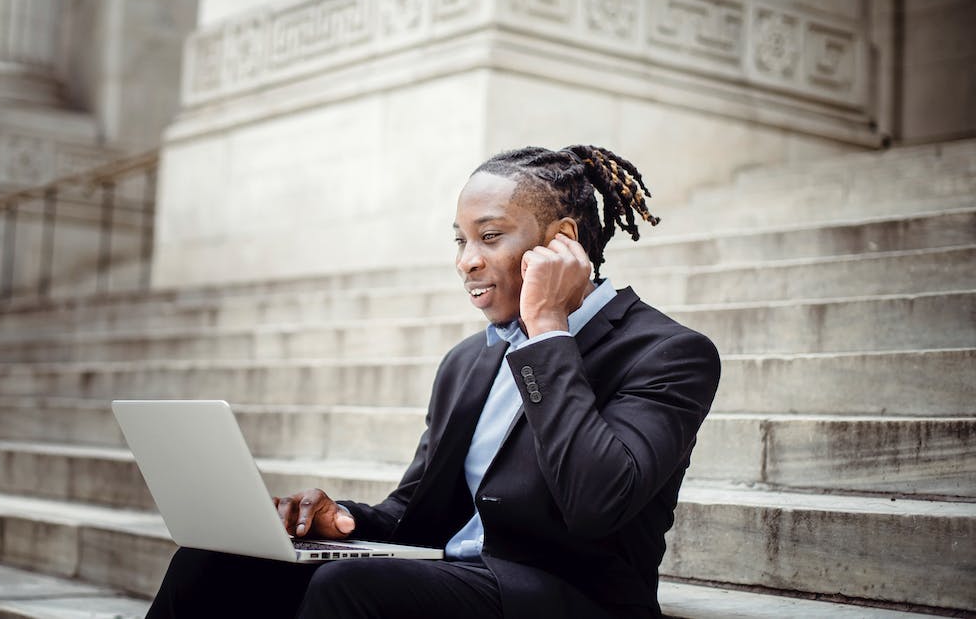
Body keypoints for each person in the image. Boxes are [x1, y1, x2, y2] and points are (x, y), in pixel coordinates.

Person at [146, 145, 721, 619]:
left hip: (572, 598)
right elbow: (416, 510)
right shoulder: (469, 361)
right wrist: (339, 520)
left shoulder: (668, 353)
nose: (466, 261)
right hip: (454, 578)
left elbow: (598, 501)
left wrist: (548, 331)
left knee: (349, 591)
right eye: (460, 240)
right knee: (213, 561)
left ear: (561, 240)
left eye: (489, 236)